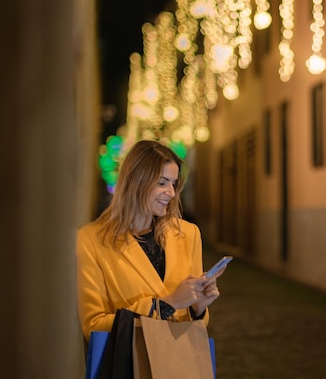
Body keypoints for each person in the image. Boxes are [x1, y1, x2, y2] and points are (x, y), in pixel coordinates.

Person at [76, 139, 222, 342]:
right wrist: (164, 305)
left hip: (178, 362)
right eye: (162, 183)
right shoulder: (91, 240)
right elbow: (93, 327)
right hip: (131, 365)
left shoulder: (188, 234)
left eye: (173, 183)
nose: (171, 193)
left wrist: (198, 307)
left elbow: (194, 322)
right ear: (136, 181)